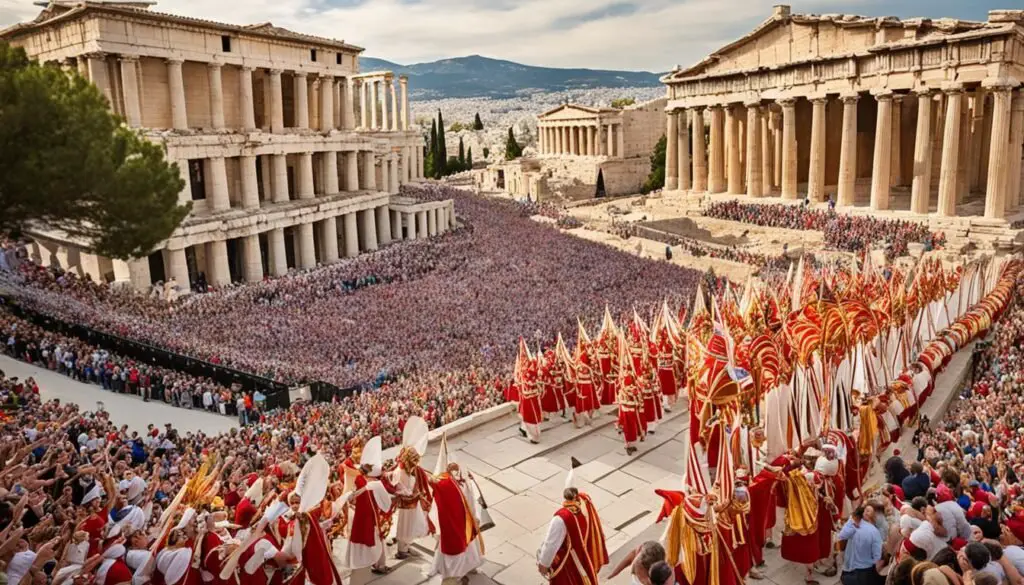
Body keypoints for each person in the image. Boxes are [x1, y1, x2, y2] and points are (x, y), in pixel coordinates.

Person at [536, 460, 608, 585]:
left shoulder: (561, 517)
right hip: (584, 559)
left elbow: (550, 544)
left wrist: (543, 564)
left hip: (569, 564)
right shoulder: (585, 503)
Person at [429, 434, 485, 585]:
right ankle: (455, 577)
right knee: (458, 551)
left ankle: (467, 567)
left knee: (468, 547)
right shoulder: (447, 485)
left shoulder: (460, 482)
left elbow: (470, 497)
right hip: (456, 523)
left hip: (465, 519)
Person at [837, 505, 884, 585]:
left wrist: (851, 521)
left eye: (868, 510)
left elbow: (841, 536)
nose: (866, 512)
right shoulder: (874, 531)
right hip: (864, 571)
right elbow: (877, 556)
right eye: (865, 510)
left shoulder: (854, 526)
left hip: (851, 570)